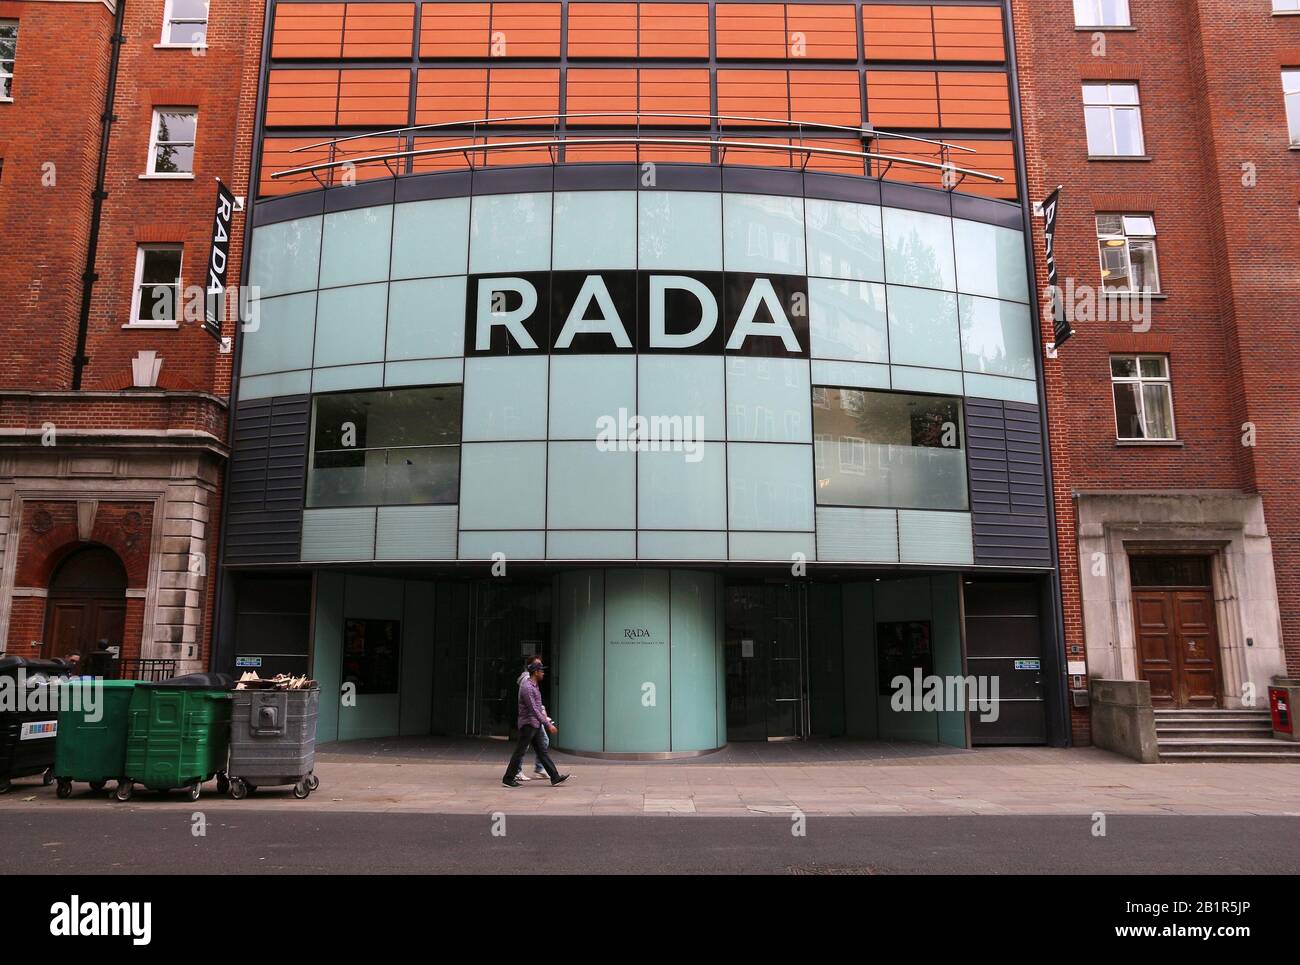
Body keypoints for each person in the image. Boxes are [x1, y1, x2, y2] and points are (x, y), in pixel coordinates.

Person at [503, 662, 569, 788]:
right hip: (528, 724)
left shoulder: (534, 685)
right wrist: (548, 724)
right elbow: (533, 708)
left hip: (535, 724)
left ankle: (555, 777)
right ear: (536, 672)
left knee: (542, 751)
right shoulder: (527, 687)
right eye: (541, 671)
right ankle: (508, 778)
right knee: (520, 752)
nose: (543, 673)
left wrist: (545, 721)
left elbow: (538, 707)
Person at [512, 657, 551, 781]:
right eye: (539, 666)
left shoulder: (533, 683)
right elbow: (532, 706)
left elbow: (537, 703)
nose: (542, 669)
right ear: (533, 669)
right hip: (529, 721)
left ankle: (548, 773)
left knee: (541, 745)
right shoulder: (527, 683)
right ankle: (513, 774)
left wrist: (543, 713)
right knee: (522, 748)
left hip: (534, 721)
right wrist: (546, 722)